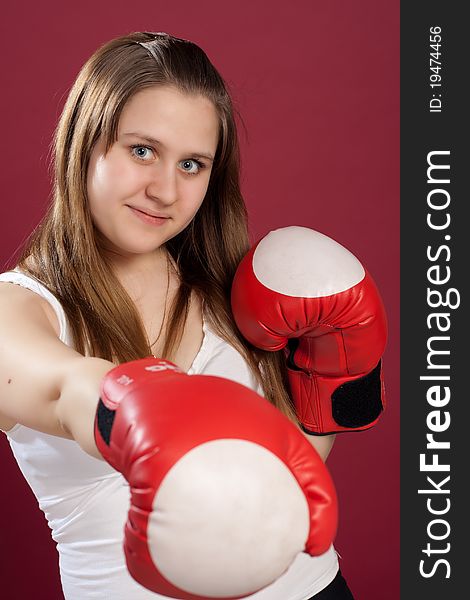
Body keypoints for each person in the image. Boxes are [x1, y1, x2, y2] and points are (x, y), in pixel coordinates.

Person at [0, 31, 365, 599]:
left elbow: (287, 484)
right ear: (83, 143)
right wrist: (141, 411)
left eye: (192, 165)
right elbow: (63, 391)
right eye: (141, 150)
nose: (164, 190)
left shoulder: (230, 289)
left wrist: (337, 383)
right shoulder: (22, 308)